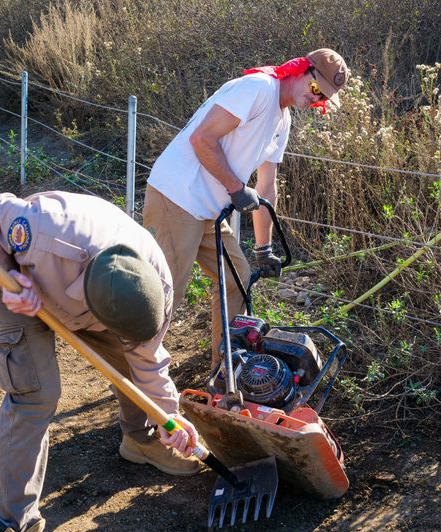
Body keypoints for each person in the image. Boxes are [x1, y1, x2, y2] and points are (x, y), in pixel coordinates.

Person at [0, 191, 200, 532]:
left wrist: (170, 415)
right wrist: (10, 277)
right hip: (14, 285)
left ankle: (140, 440)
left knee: (129, 362)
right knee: (37, 394)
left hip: (91, 298)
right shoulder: (47, 231)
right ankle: (14, 522)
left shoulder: (155, 291)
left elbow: (148, 362)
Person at [143, 48, 349, 367]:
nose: (318, 98)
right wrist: (237, 188)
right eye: (316, 89)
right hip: (178, 196)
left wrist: (264, 249)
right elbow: (202, 139)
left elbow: (267, 186)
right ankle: (138, 382)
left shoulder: (282, 120)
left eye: (324, 97)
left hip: (210, 208)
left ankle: (224, 374)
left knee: (237, 278)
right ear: (301, 71)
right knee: (162, 295)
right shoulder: (257, 89)